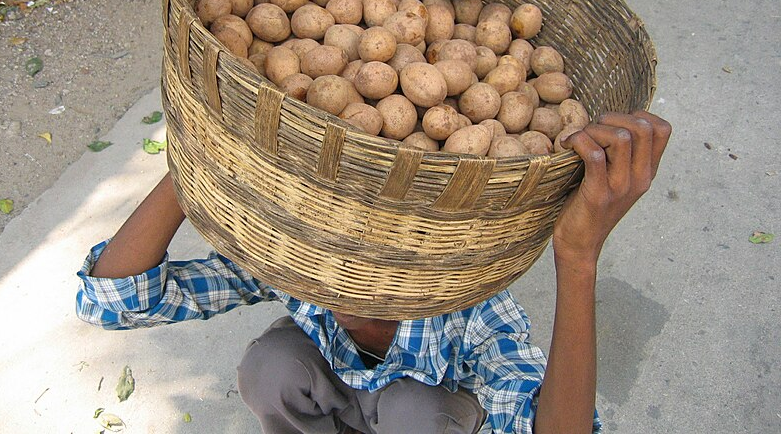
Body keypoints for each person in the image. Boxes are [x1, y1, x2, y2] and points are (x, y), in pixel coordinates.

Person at [76, 110, 671, 434]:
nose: (342, 274)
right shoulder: (295, 257)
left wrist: (578, 257)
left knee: (417, 414)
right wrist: (197, 157)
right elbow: (113, 298)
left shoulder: (473, 309)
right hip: (331, 391)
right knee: (271, 366)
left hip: (425, 418)